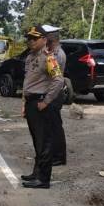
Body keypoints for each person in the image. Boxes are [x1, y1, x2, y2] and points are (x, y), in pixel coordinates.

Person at [20, 25, 64, 189]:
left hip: (41, 104)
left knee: (44, 142)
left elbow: (58, 80)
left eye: (34, 38)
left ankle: (43, 179)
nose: (30, 41)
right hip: (32, 102)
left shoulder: (49, 58)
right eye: (29, 38)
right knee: (37, 141)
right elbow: (28, 82)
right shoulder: (31, 57)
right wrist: (24, 103)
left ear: (44, 40)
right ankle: (36, 173)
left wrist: (46, 101)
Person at [43, 24, 67, 166]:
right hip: (52, 92)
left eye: (46, 39)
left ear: (51, 39)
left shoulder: (57, 54)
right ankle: (54, 154)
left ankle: (58, 156)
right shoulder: (54, 52)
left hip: (54, 93)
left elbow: (54, 77)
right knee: (51, 125)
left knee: (55, 126)